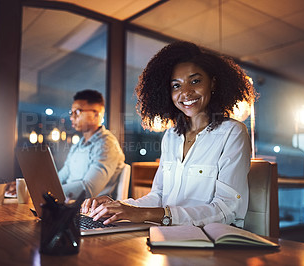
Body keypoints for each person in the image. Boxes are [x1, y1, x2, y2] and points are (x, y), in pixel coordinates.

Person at [82, 41, 256, 228]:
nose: (186, 93)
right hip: (167, 235)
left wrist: (145, 214)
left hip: (209, 241)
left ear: (212, 83)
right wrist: (118, 206)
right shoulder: (171, 136)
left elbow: (226, 209)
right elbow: (158, 196)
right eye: (176, 86)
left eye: (195, 81)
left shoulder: (233, 133)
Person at [58, 89, 125, 200]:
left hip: (91, 211)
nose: (72, 117)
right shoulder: (78, 145)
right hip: (68, 204)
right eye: (71, 113)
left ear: (96, 115)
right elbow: (62, 176)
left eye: (78, 112)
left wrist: (51, 191)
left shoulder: (107, 145)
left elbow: (89, 189)